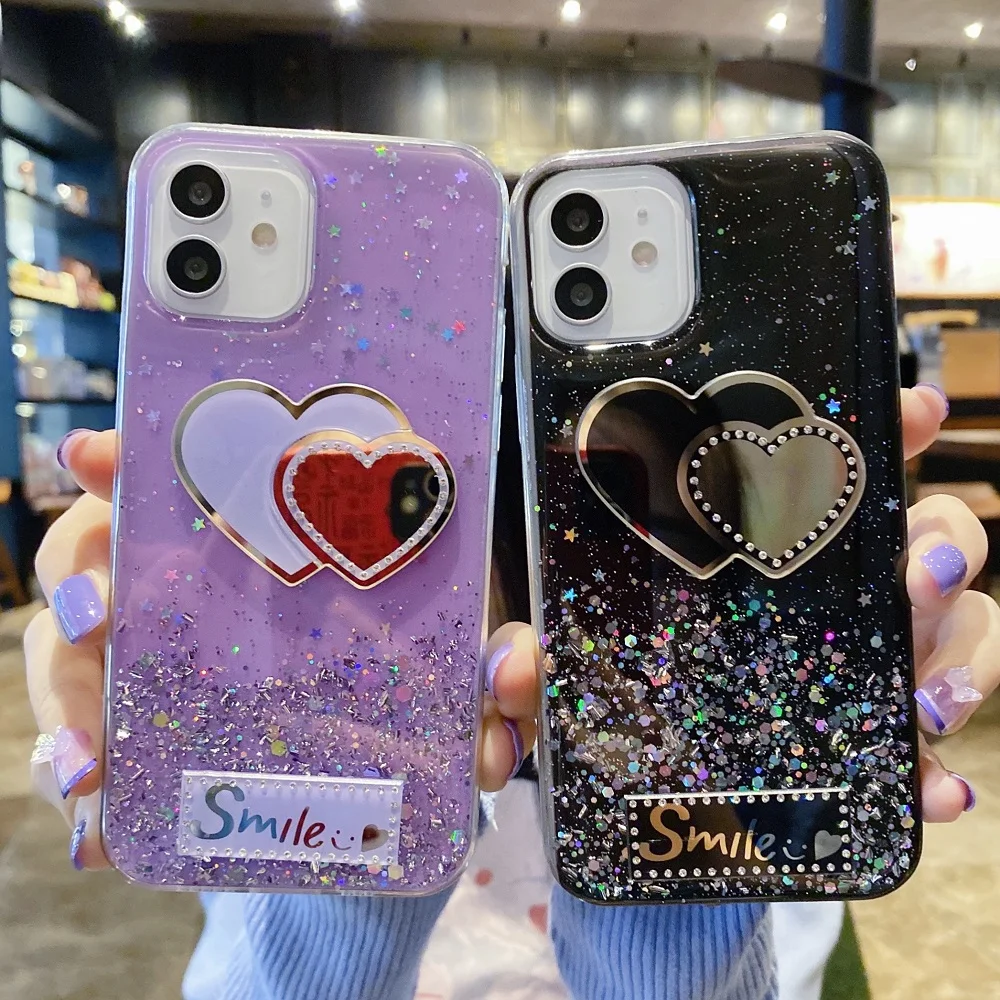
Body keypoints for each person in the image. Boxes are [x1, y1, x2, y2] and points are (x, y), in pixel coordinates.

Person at [25, 383, 991, 1000]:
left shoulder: (756, 758)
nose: (548, 545)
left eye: (610, 497)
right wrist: (355, 816)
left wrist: (684, 788)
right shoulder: (274, 695)